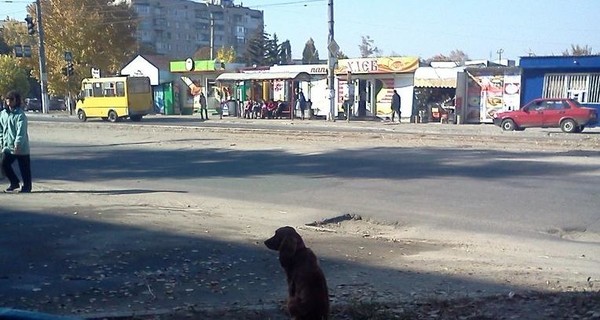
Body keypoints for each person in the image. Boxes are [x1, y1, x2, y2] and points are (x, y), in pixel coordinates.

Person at [1, 90, 32, 193]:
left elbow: (21, 131)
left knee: (24, 168)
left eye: (11, 99)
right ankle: (14, 182)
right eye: (7, 99)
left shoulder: (20, 115)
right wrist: (1, 142)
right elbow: (1, 129)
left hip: (21, 147)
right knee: (4, 164)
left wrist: (17, 144)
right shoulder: (3, 114)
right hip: (8, 146)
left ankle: (27, 187)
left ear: (16, 101)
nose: (9, 101)